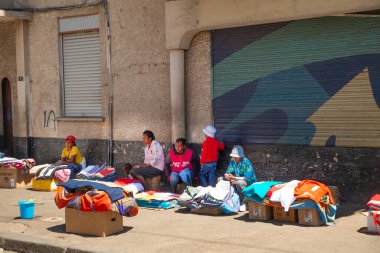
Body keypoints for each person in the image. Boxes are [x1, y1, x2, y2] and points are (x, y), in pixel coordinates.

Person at [222, 145, 257, 210]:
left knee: (239, 183)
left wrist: (235, 178)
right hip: (236, 179)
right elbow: (228, 171)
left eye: (236, 157)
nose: (234, 158)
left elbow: (247, 178)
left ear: (240, 156)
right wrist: (227, 176)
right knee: (221, 180)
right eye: (233, 157)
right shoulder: (232, 161)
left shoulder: (246, 162)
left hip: (249, 182)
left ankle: (244, 202)